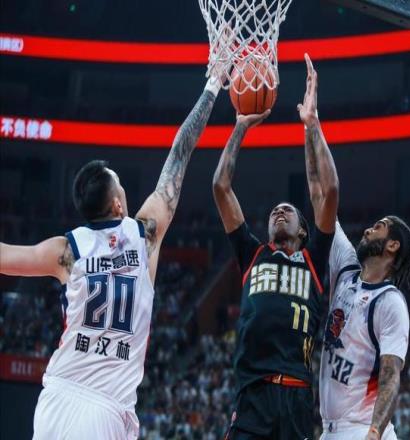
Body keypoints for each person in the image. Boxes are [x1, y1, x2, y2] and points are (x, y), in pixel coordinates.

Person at [0, 73, 224, 439]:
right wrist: (212, 87)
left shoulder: (66, 250)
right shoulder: (143, 236)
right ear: (118, 204)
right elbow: (180, 153)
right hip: (103, 409)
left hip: (56, 397)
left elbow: (6, 256)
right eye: (120, 183)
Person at [213, 54, 338, 440]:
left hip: (296, 398)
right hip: (252, 396)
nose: (280, 211)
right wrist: (239, 127)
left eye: (289, 211)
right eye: (274, 212)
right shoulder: (252, 253)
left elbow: (329, 189)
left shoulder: (314, 258)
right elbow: (220, 187)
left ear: (303, 231)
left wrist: (313, 125)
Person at [319, 216, 410, 438]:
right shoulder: (346, 271)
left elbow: (390, 375)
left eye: (378, 227)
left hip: (363, 429)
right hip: (330, 430)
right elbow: (325, 209)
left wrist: (375, 431)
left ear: (393, 245)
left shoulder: (389, 301)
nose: (367, 230)